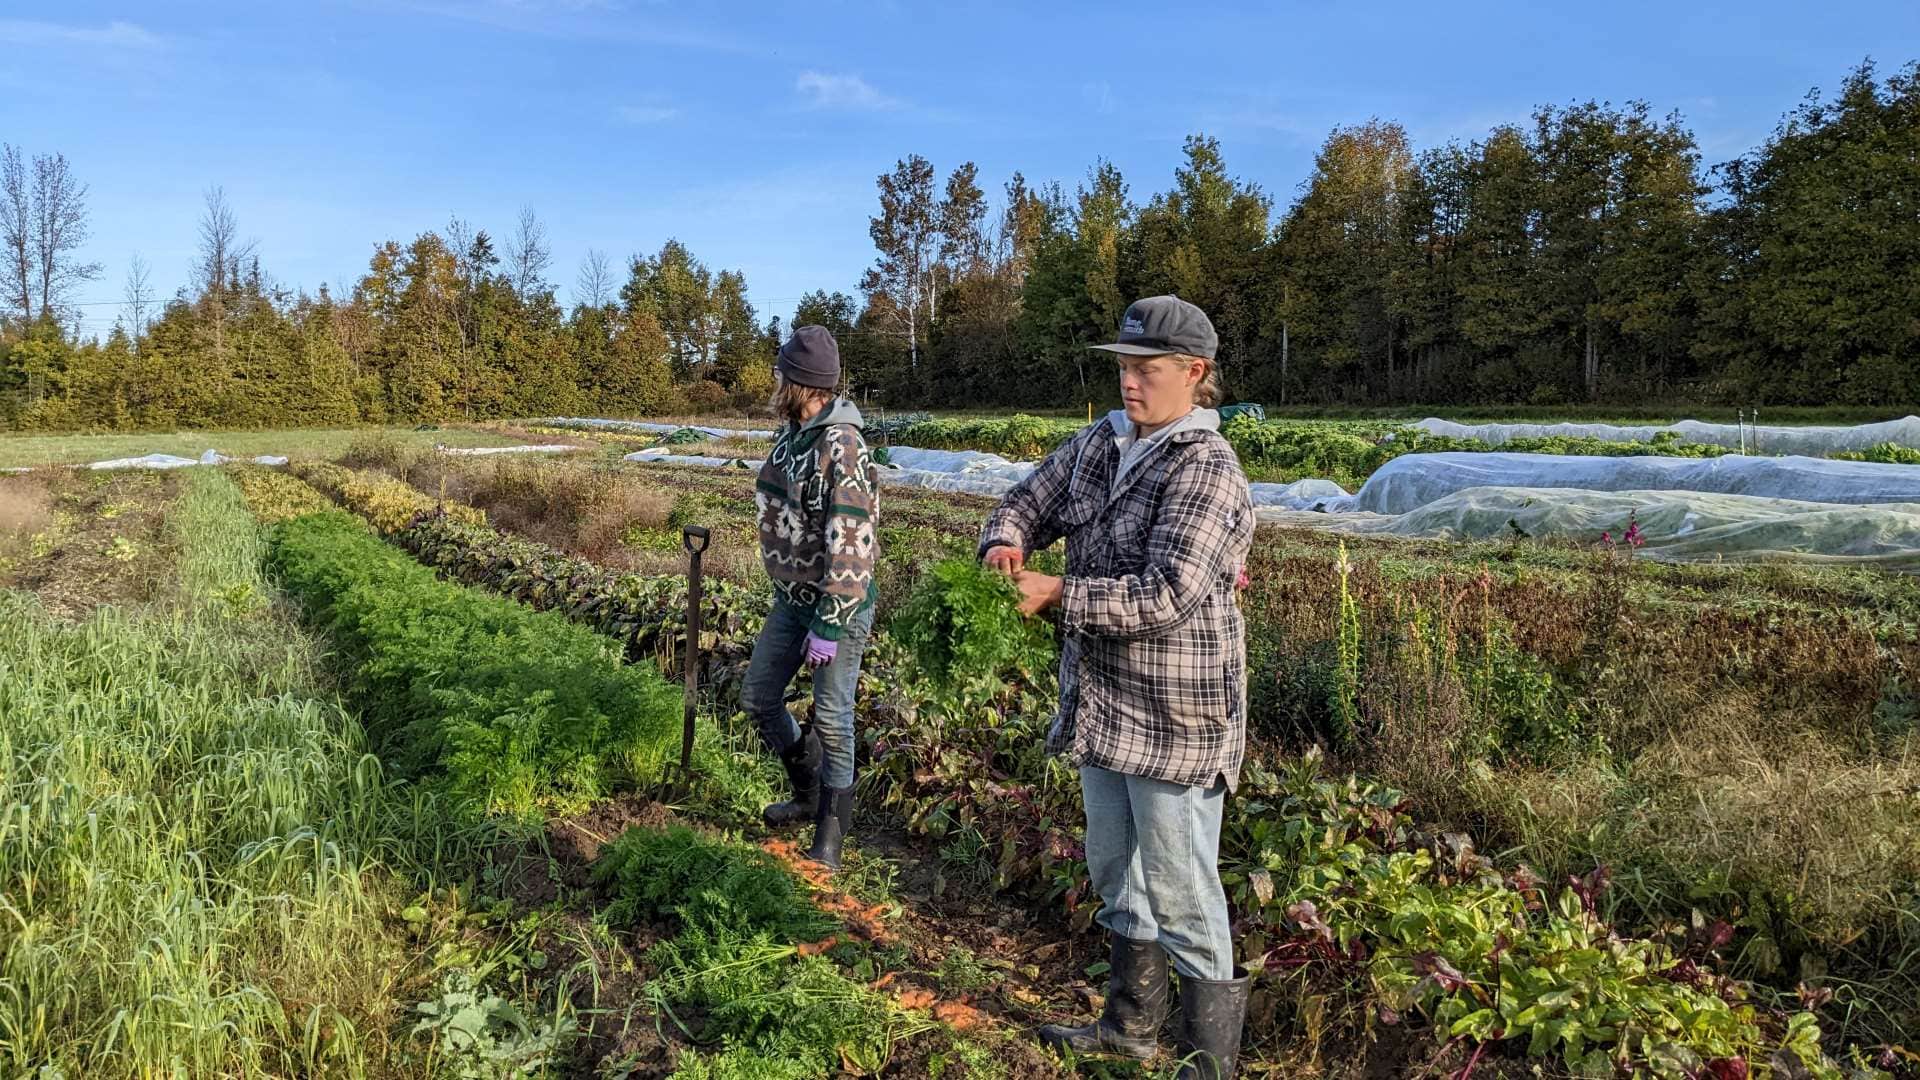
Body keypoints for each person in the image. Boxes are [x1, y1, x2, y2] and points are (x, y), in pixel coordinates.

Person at [979, 296, 1255, 1079]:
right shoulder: (1104, 442)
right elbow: (1029, 498)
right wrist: (1006, 542)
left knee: (1180, 886)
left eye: (1146, 371)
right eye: (1124, 369)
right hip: (1104, 702)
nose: (1129, 385)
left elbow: (1167, 593)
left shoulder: (1206, 468)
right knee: (1115, 869)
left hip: (1176, 710)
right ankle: (1129, 1028)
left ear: (1193, 375)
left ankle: (1210, 1067)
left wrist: (1059, 592)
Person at [740, 324, 880, 871]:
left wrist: (830, 622)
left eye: (781, 372)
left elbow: (852, 544)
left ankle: (831, 833)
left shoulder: (842, 447)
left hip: (834, 608)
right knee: (758, 697)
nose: (775, 379)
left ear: (802, 383)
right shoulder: (794, 434)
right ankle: (806, 790)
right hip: (792, 603)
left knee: (833, 715)